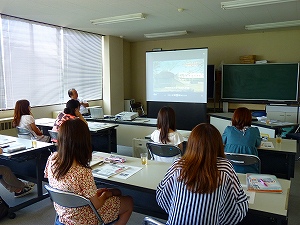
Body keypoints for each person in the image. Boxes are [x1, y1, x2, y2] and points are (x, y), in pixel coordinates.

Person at [45, 119, 133, 225]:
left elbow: (59, 184)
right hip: (85, 218)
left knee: (116, 191)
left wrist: (97, 193)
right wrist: (105, 195)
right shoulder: (82, 171)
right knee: (129, 201)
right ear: (84, 141)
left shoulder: (52, 159)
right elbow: (96, 205)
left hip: (63, 213)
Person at [156, 123, 248, 225]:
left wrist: (179, 210)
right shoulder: (225, 168)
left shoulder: (178, 164)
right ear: (218, 145)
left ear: (191, 143)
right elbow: (238, 205)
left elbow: (161, 195)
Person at [222, 107, 261, 173]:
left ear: (234, 117)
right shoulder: (254, 131)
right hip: (250, 170)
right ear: (249, 118)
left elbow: (222, 142)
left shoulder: (228, 130)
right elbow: (258, 145)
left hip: (229, 170)